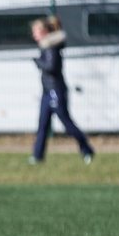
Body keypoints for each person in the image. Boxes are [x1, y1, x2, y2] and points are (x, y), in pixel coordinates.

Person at [30, 15, 94, 164]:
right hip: (47, 92)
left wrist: (38, 62)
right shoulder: (45, 47)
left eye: (36, 31)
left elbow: (52, 67)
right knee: (42, 125)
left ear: (44, 31)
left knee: (67, 125)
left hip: (56, 92)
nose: (34, 35)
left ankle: (86, 149)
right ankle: (37, 156)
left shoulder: (51, 47)